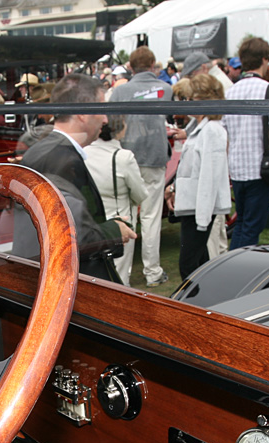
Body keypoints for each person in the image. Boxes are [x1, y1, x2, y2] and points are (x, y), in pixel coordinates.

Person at [14, 73, 137, 282]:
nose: (106, 119)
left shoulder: (44, 150)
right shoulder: (63, 160)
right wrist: (115, 230)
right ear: (83, 114)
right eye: (101, 110)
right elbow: (75, 238)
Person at [109, 46, 172, 287]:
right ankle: (152, 272)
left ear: (131, 67)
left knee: (125, 216)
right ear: (153, 64)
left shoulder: (119, 91)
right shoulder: (165, 89)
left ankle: (122, 277)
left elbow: (113, 124)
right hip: (154, 157)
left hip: (126, 156)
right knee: (151, 217)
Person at [224, 37, 269, 249]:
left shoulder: (230, 91)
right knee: (252, 227)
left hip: (237, 166)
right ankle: (240, 270)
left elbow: (224, 129)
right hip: (260, 167)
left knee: (242, 221)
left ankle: (233, 265)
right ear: (264, 60)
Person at [169, 74, 230, 279]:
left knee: (189, 265)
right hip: (192, 207)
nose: (187, 103)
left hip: (198, 209)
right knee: (197, 263)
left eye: (191, 98)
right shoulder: (199, 129)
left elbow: (209, 178)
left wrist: (202, 220)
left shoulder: (211, 131)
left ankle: (195, 307)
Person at [84, 115, 149, 286]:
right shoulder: (123, 157)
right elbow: (140, 193)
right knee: (120, 273)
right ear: (119, 130)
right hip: (121, 221)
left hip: (92, 219)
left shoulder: (85, 152)